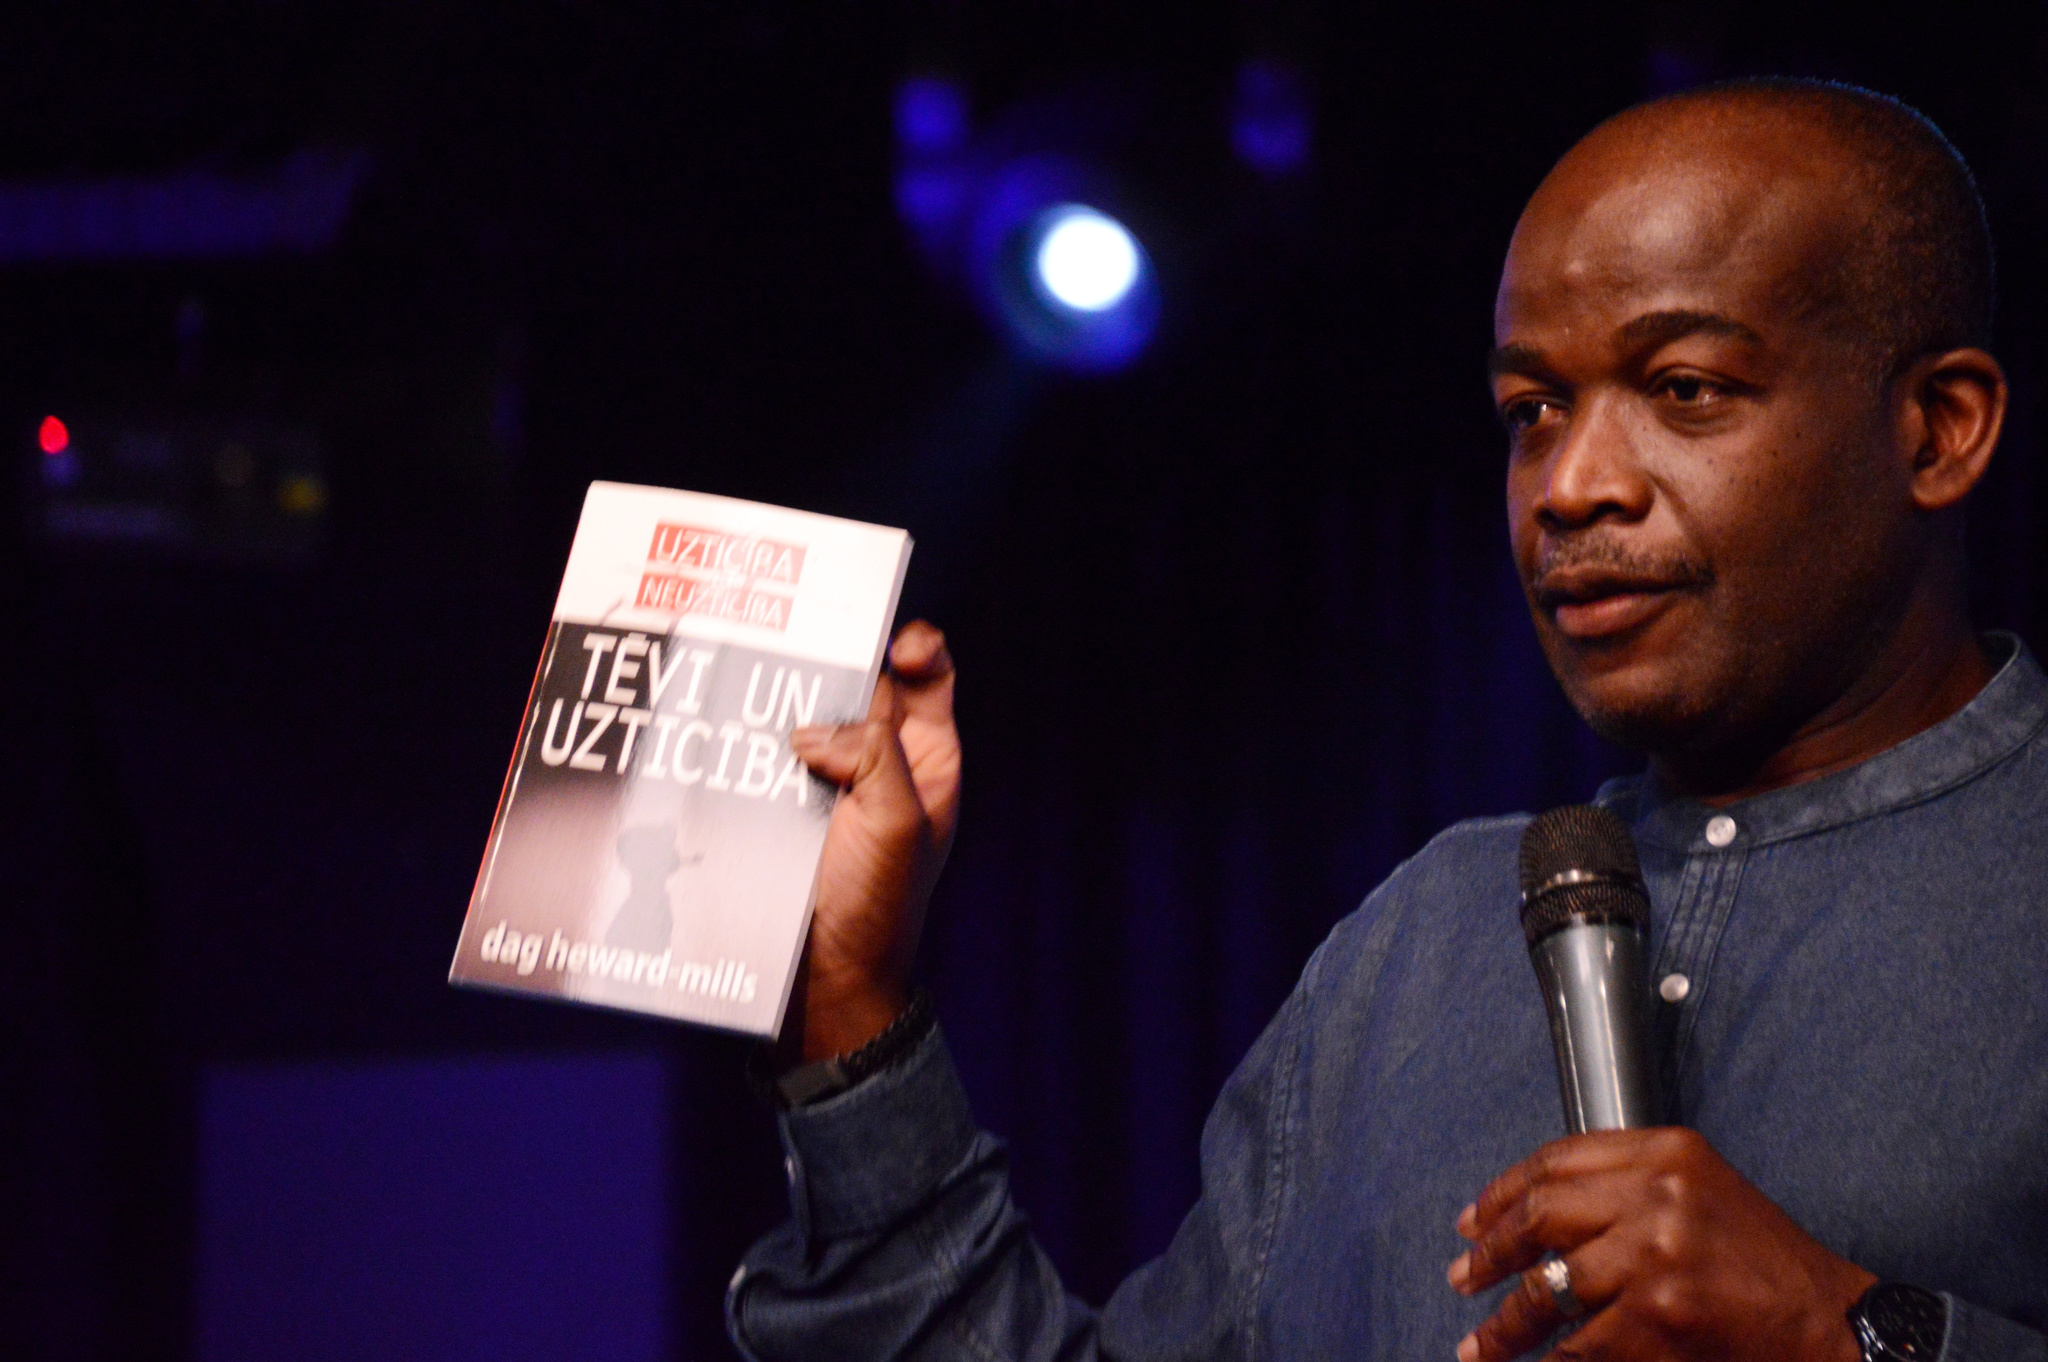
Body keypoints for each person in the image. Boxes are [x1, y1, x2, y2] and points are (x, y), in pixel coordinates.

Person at [728, 78, 2048, 1362]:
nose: (1571, 484)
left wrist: (1847, 1333)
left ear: (1939, 430)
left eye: (1687, 387)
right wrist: (852, 1011)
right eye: (1533, 411)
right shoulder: (1418, 947)